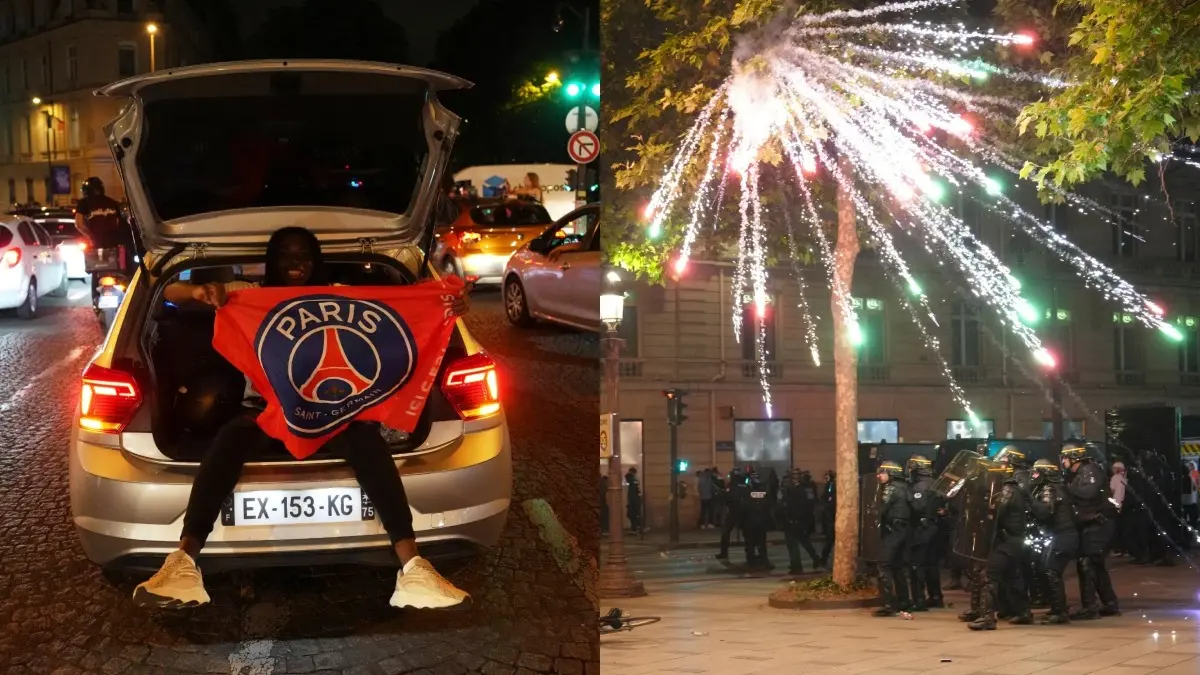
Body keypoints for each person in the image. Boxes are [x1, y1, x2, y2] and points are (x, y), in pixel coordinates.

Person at [132, 227, 471, 610]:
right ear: (271, 260)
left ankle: (413, 567)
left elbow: (402, 305)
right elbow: (169, 294)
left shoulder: (341, 293)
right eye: (286, 255)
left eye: (305, 255)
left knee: (369, 445)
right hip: (265, 413)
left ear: (317, 260)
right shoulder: (246, 293)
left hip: (331, 414)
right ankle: (183, 561)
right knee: (226, 445)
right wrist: (201, 291)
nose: (296, 264)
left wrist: (441, 300)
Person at [970, 451, 1033, 630]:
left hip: (1008, 542)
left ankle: (987, 617)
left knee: (989, 575)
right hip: (1013, 542)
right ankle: (1023, 612)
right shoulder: (1010, 488)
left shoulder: (1007, 489)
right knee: (1012, 577)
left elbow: (996, 513)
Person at [1062, 442, 1120, 619]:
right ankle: (1110, 603)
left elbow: (1089, 492)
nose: (1063, 461)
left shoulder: (1089, 470)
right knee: (1095, 564)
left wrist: (1067, 488)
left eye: (1065, 457)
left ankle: (1090, 607)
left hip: (1098, 523)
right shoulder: (1081, 472)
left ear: (1074, 457)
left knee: (1086, 562)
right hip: (1092, 523)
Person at [1029, 458, 1078, 624]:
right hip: (1061, 534)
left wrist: (1029, 500)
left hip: (1064, 535)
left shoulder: (1050, 489)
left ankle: (1060, 612)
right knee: (1045, 568)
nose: (1034, 475)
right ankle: (1056, 608)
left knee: (1051, 570)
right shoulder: (1054, 488)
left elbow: (1044, 512)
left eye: (1037, 472)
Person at [74, 177, 132, 308]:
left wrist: (91, 237)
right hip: (115, 246)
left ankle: (96, 300)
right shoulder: (112, 202)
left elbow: (79, 224)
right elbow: (120, 224)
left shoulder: (84, 203)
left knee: (97, 270)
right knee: (122, 272)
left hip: (97, 247)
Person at [873, 461, 912, 617]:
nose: (879, 475)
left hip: (892, 531)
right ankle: (904, 601)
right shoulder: (905, 486)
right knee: (898, 567)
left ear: (891, 473)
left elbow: (881, 509)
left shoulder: (890, 488)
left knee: (883, 565)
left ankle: (888, 604)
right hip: (904, 530)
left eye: (882, 472)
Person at [905, 454, 943, 610]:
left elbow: (918, 507)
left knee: (917, 565)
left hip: (922, 529)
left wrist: (908, 497)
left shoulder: (919, 487)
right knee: (931, 564)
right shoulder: (935, 483)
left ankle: (919, 600)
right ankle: (936, 596)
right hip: (934, 527)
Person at [780, 469, 821, 574]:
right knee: (804, 540)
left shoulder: (795, 491)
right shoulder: (805, 489)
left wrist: (791, 518)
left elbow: (792, 507)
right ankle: (815, 558)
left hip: (794, 521)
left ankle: (796, 566)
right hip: (801, 521)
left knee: (792, 544)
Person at [742, 470, 772, 568]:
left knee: (750, 542)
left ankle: (751, 560)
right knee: (761, 542)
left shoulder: (748, 491)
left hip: (750, 521)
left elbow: (745, 506)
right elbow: (767, 505)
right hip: (761, 521)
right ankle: (764, 559)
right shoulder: (763, 491)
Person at [717, 468, 747, 560]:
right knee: (748, 534)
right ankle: (751, 554)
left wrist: (721, 493)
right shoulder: (745, 484)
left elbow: (728, 498)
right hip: (745, 512)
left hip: (734, 511)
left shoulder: (732, 485)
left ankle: (724, 553)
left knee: (726, 532)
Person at [819, 469, 836, 567]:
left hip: (832, 516)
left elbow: (829, 498)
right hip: (830, 516)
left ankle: (823, 559)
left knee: (829, 540)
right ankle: (823, 559)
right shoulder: (831, 485)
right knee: (829, 540)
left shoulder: (831, 485)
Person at [625, 467, 643, 533]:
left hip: (633, 501)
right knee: (634, 515)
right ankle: (635, 528)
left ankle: (635, 528)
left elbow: (636, 490)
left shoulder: (632, 480)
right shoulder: (632, 479)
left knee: (633, 515)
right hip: (634, 501)